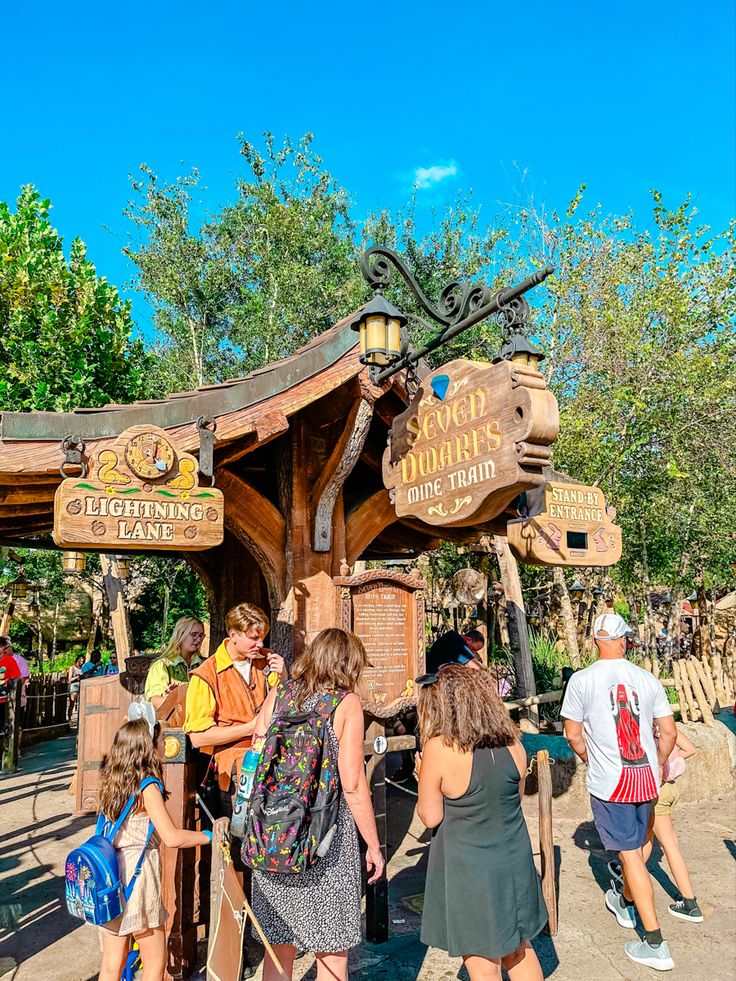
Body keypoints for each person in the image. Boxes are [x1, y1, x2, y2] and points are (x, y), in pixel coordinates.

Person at [249, 628, 384, 981]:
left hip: (272, 833)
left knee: (278, 949)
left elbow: (254, 754)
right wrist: (372, 845)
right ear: (349, 664)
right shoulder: (345, 703)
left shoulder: (280, 694)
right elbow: (353, 784)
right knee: (331, 950)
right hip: (324, 840)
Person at [562, 612, 677, 972]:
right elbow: (669, 733)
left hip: (611, 781)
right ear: (624, 639)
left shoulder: (581, 681)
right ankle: (625, 901)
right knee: (640, 850)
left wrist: (588, 758)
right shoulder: (646, 678)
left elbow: (573, 735)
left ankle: (655, 942)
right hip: (646, 777)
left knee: (629, 857)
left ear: (595, 640)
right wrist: (656, 763)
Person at [416, 665, 546, 981]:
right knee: (518, 950)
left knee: (482, 963)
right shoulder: (514, 743)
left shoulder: (439, 748)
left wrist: (424, 778)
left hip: (471, 871)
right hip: (514, 859)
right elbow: (513, 797)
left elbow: (431, 816)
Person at [183, 603, 286, 978]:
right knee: (236, 862)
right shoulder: (205, 676)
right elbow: (198, 736)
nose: (260, 643)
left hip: (269, 772)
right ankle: (232, 951)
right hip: (229, 779)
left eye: (262, 636)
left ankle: (271, 929)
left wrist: (282, 677)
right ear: (233, 636)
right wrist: (251, 728)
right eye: (253, 637)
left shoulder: (265, 666)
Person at [97, 710, 212, 981]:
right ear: (148, 747)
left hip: (111, 877)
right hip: (138, 878)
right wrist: (208, 836)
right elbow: (171, 837)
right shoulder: (147, 787)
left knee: (111, 965)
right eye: (160, 739)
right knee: (154, 965)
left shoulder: (111, 784)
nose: (163, 745)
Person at [609, 726, 702, 922]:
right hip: (670, 789)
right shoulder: (665, 727)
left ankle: (690, 902)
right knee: (646, 840)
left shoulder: (644, 731)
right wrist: (670, 765)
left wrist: (659, 767)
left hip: (656, 791)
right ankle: (629, 873)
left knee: (669, 845)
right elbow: (690, 749)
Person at [144, 617, 206, 709]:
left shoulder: (205, 665)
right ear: (180, 635)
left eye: (201, 636)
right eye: (194, 635)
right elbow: (154, 701)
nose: (198, 640)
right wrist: (169, 699)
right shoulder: (162, 665)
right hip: (173, 721)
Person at [68, 655, 84, 721]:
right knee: (72, 704)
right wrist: (76, 677)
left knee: (81, 704)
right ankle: (69, 719)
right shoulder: (72, 668)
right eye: (79, 661)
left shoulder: (83, 668)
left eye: (82, 661)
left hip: (81, 686)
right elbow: (69, 679)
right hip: (74, 686)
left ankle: (80, 719)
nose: (81, 663)